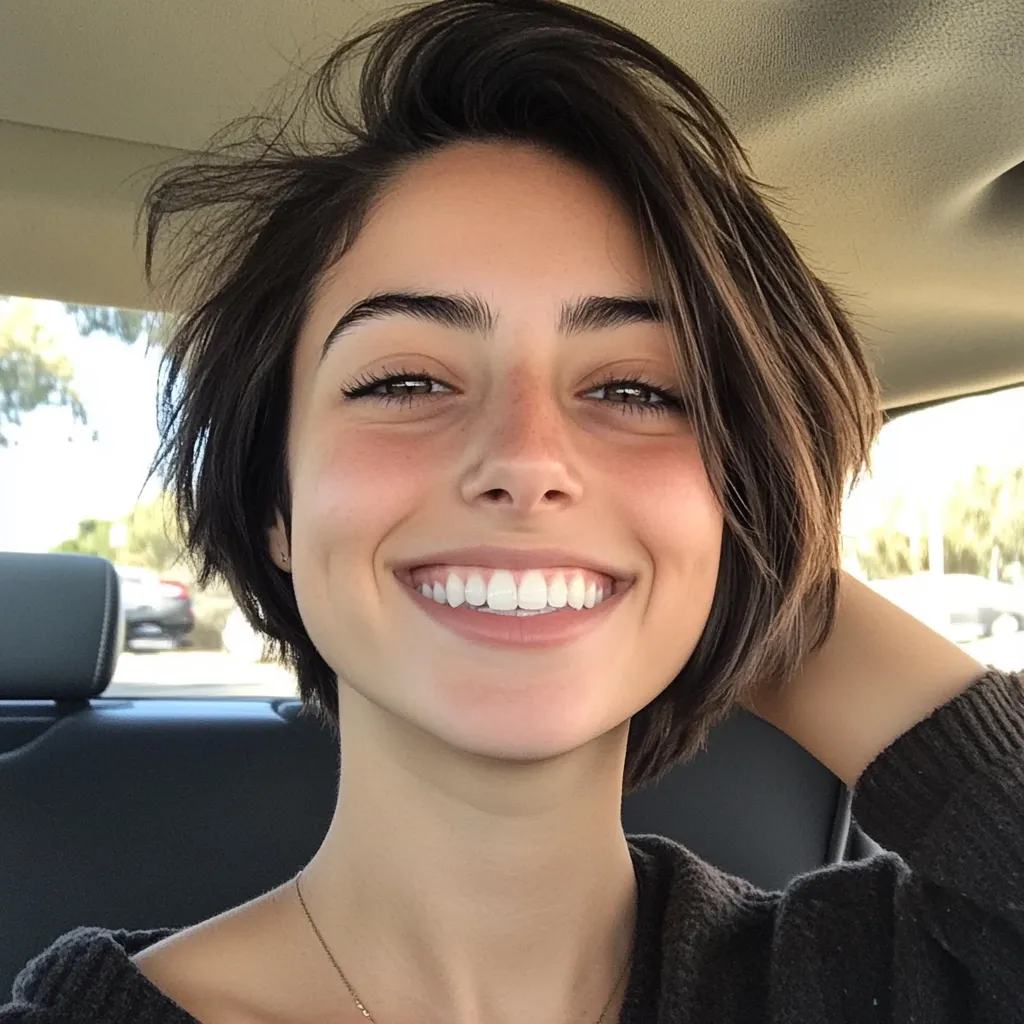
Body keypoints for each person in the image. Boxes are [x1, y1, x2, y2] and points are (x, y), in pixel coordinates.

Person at [4, 0, 1023, 1021]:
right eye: (404, 380)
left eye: (636, 391)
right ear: (276, 498)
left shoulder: (861, 987)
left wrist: (747, 568)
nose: (525, 458)